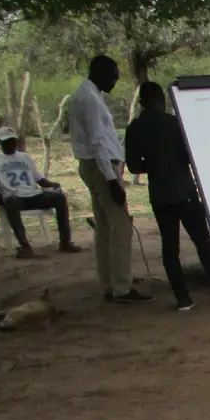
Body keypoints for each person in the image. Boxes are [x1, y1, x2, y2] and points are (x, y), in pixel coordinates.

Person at [123, 82, 210, 310]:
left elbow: (134, 167)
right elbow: (191, 155)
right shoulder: (175, 124)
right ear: (161, 100)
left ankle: (183, 298)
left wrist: (153, 164)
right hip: (184, 190)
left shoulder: (134, 128)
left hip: (159, 194)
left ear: (142, 102)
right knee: (202, 241)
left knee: (170, 246)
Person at [70, 55, 151, 303]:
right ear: (100, 72)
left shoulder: (87, 95)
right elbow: (97, 142)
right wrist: (112, 180)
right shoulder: (90, 100)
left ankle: (109, 285)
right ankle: (122, 287)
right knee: (121, 226)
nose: (116, 81)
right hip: (101, 167)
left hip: (95, 166)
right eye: (113, 75)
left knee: (105, 226)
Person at [0, 126, 79, 258]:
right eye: (6, 141)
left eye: (13, 140)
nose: (11, 143)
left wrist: (53, 185)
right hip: (15, 198)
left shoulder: (24, 157)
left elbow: (40, 179)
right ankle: (25, 246)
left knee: (59, 197)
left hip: (34, 196)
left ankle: (65, 242)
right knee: (10, 202)